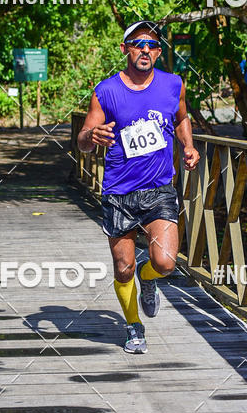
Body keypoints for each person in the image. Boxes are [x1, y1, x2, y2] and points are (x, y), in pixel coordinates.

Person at [77, 20, 200, 354]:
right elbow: (83, 142)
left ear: (159, 53)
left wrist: (187, 145)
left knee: (165, 263)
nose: (145, 49)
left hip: (159, 188)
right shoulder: (106, 91)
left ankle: (149, 281)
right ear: (125, 49)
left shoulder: (174, 84)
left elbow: (181, 118)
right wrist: (92, 136)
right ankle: (134, 327)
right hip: (119, 192)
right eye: (138, 43)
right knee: (123, 267)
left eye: (152, 45)